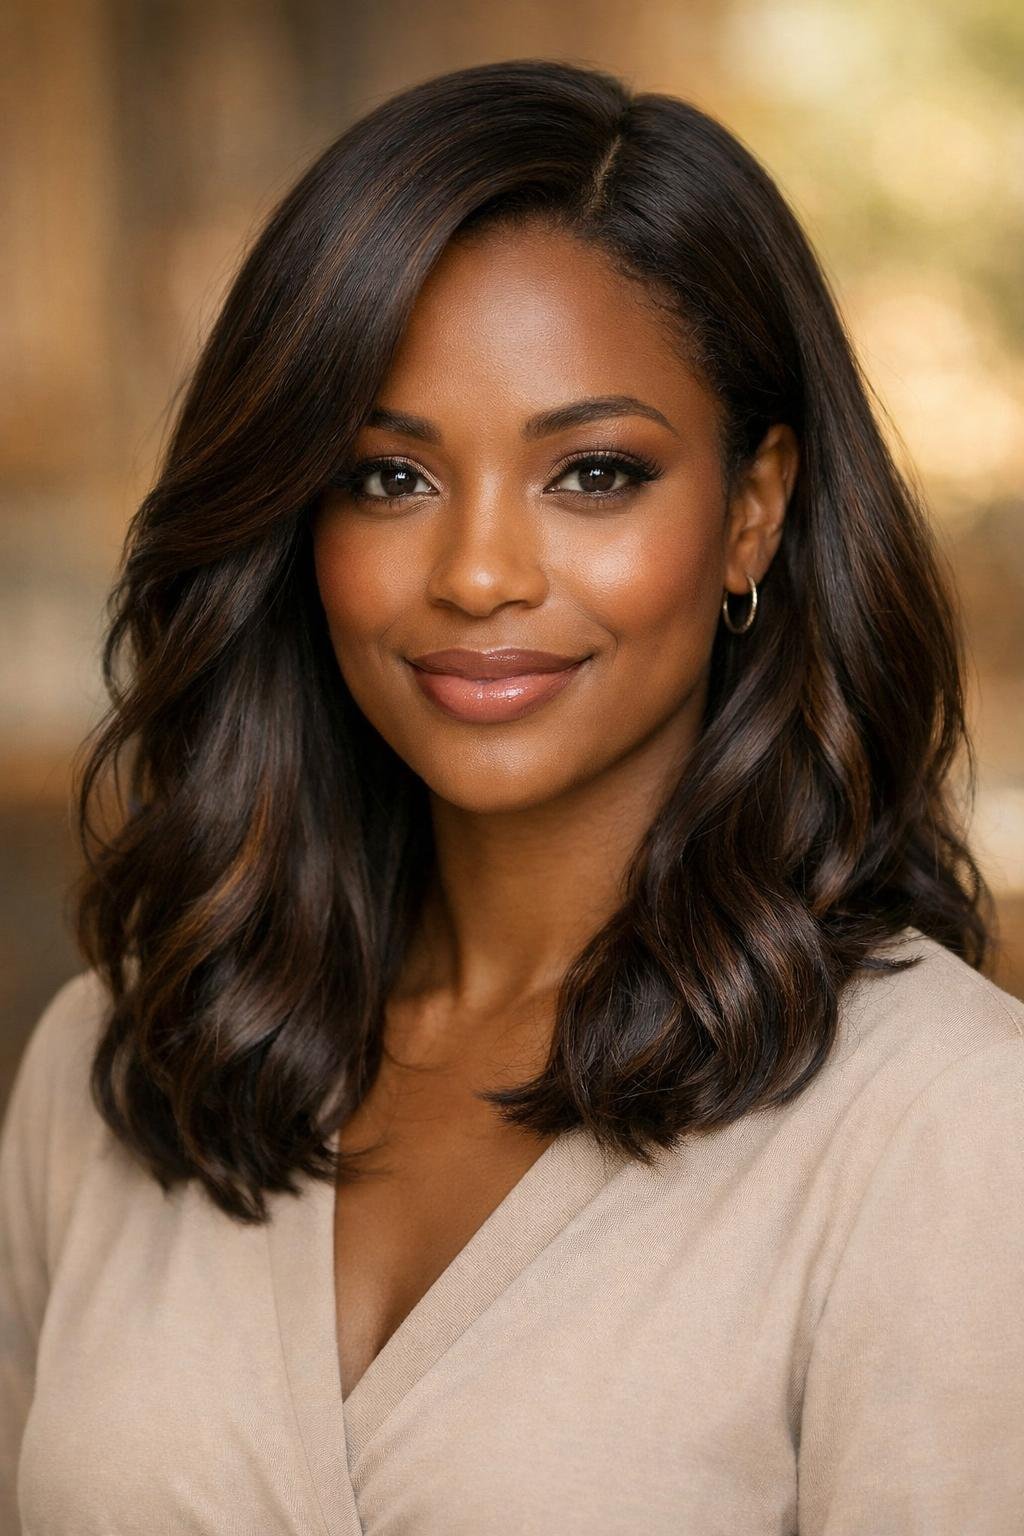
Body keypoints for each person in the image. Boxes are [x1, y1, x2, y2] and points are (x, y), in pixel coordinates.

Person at [2, 56, 1022, 1536]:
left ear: (753, 510)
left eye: (594, 473)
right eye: (388, 480)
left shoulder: (946, 1127)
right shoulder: (123, 1053)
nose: (481, 574)